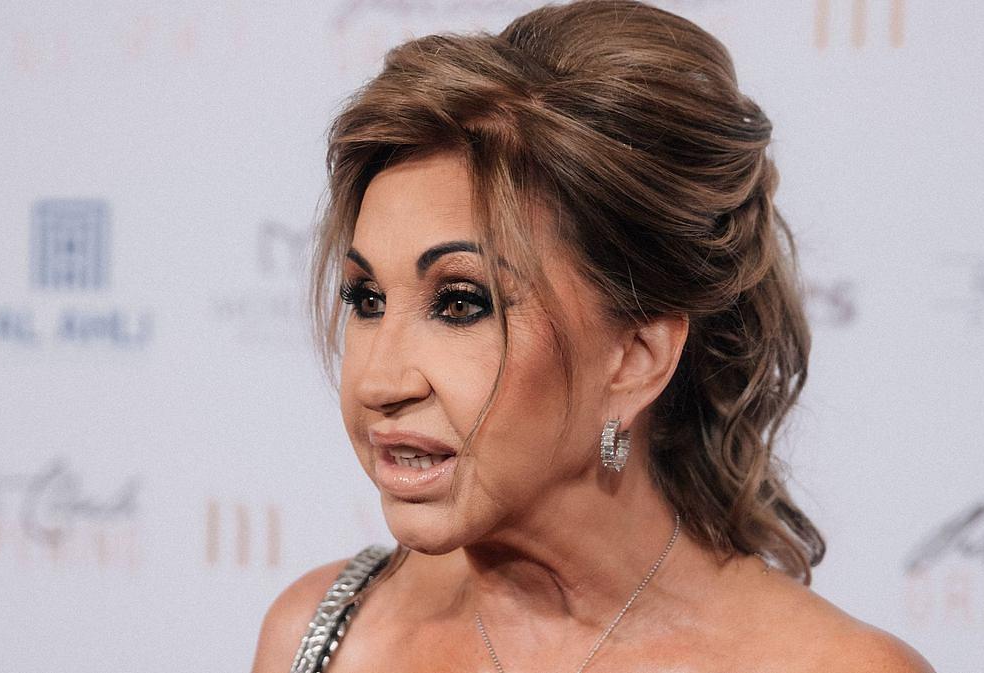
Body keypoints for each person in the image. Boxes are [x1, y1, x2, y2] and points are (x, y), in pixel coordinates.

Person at [252, 1, 934, 671]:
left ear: (635, 358)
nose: (378, 382)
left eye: (461, 304)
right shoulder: (326, 636)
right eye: (367, 299)